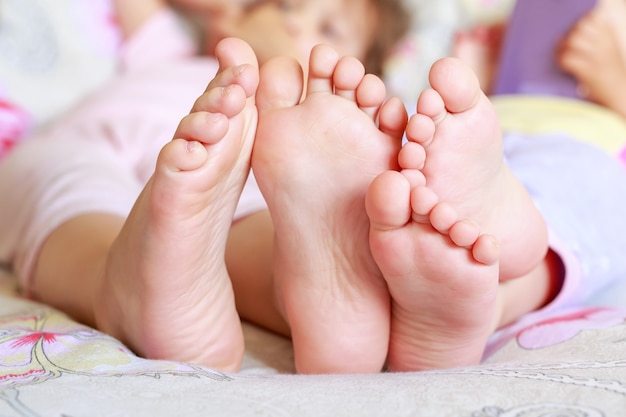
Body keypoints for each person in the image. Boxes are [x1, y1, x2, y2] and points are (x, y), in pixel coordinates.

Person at [0, 0, 410, 374]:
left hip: (234, 182)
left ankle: (306, 299)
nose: (294, 21)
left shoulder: (299, 152)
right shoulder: (168, 50)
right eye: (285, 4)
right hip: (91, 147)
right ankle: (126, 284)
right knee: (66, 187)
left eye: (329, 30)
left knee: (273, 226)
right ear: (233, 17)